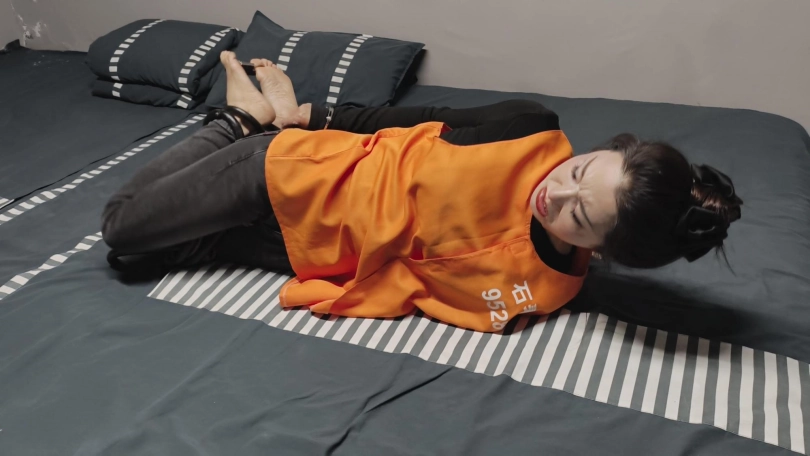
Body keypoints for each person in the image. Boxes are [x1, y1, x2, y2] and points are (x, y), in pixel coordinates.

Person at [102, 51, 743, 332]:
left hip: (301, 251)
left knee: (137, 260)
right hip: (296, 173)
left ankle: (256, 126)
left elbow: (439, 285)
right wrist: (314, 117)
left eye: (580, 216)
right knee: (121, 228)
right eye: (581, 171)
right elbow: (417, 118)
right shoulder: (530, 129)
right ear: (604, 149)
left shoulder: (548, 290)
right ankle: (245, 120)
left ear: (597, 250)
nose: (557, 194)